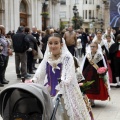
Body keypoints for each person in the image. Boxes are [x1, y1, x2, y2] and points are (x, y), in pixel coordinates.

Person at [25, 33, 91, 120]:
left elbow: (67, 78)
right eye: (50, 43)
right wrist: (33, 80)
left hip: (64, 92)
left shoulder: (67, 57)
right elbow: (40, 72)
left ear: (61, 44)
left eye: (56, 43)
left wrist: (59, 88)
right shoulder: (47, 57)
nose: (53, 46)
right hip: (50, 91)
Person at [81, 42, 110, 107]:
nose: (92, 48)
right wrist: (82, 73)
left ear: (97, 47)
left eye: (93, 46)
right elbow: (85, 65)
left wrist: (102, 71)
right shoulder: (88, 55)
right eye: (91, 46)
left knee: (94, 86)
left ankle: (92, 100)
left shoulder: (100, 55)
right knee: (88, 86)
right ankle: (90, 100)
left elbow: (103, 65)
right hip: (88, 73)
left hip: (96, 74)